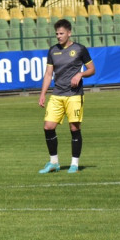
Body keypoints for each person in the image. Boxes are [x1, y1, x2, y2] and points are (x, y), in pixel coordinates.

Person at [37, 18, 96, 174]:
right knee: (48, 127)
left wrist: (81, 74)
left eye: (61, 33)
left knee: (74, 128)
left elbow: (92, 69)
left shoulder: (80, 49)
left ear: (69, 33)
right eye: (57, 33)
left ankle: (74, 164)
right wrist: (43, 94)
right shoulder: (53, 50)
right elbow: (48, 74)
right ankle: (54, 162)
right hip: (57, 95)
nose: (59, 36)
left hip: (74, 95)